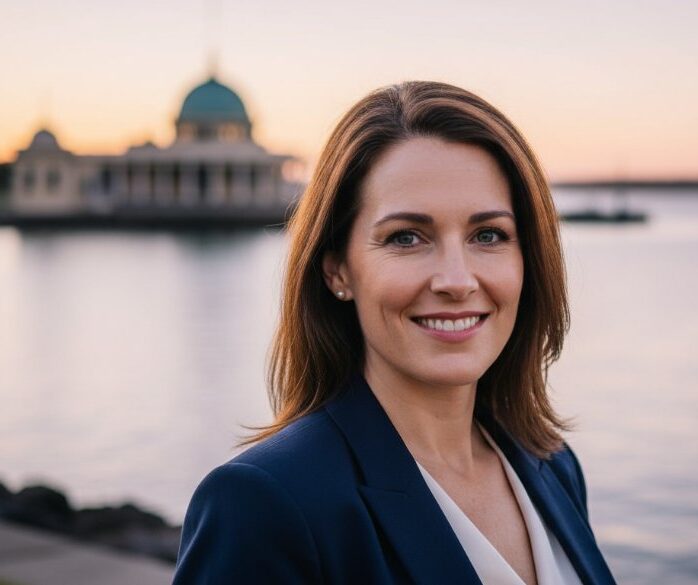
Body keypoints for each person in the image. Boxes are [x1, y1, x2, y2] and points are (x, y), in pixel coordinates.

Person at [172, 80, 616, 585]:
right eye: (407, 237)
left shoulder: (553, 467)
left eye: (487, 235)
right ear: (338, 269)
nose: (456, 280)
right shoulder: (264, 504)